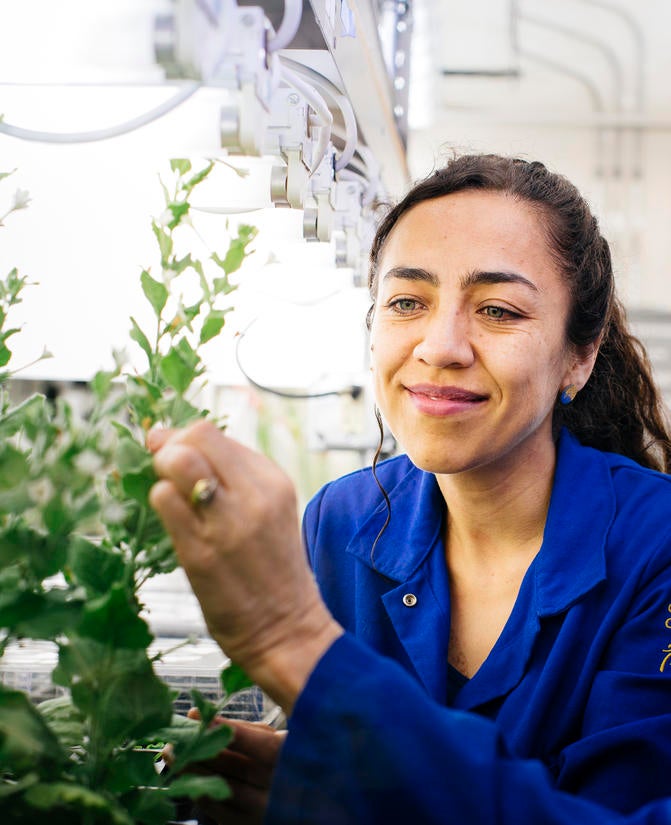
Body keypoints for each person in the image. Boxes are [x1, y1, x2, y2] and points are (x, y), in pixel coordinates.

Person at [149, 154, 671, 823]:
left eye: (497, 309)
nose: (440, 345)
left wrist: (295, 640)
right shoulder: (341, 520)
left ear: (580, 353)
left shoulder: (654, 544)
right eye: (406, 302)